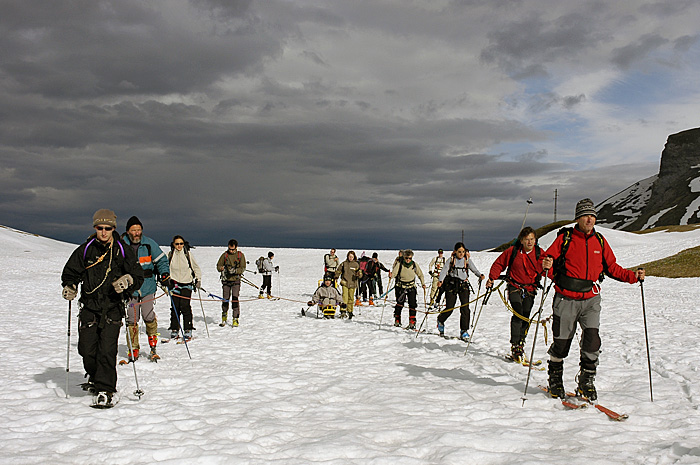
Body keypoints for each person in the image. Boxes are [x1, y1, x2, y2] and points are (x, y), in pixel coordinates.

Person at [541, 198, 645, 400]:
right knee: (561, 343)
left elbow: (612, 267)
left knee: (592, 342)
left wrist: (633, 277)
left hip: (591, 300)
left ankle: (586, 381)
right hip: (566, 299)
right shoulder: (566, 238)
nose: (589, 219)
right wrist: (550, 271)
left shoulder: (600, 241)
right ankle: (555, 379)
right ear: (578, 218)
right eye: (585, 216)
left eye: (592, 216)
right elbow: (546, 260)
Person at [61, 209, 144, 407]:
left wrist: (128, 280)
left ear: (114, 228)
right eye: (100, 228)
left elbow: (138, 274)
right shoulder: (86, 249)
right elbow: (70, 272)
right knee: (86, 350)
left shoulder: (122, 250)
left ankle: (105, 389)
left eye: (108, 228)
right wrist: (70, 286)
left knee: (107, 350)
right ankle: (94, 375)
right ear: (95, 228)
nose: (104, 232)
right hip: (89, 307)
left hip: (113, 308)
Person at [486, 227, 544, 361]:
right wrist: (491, 278)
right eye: (526, 239)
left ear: (535, 240)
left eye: (532, 239)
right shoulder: (513, 251)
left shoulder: (540, 253)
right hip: (514, 286)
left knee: (526, 315)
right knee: (518, 312)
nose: (529, 242)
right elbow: (499, 264)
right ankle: (515, 345)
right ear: (521, 240)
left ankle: (521, 343)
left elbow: (549, 269)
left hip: (530, 289)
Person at [121, 216, 171, 361]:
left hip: (148, 286)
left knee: (148, 316)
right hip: (130, 289)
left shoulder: (149, 244)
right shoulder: (122, 245)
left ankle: (153, 346)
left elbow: (161, 260)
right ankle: (133, 349)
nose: (137, 233)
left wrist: (165, 274)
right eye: (133, 230)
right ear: (128, 231)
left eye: (139, 230)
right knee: (132, 318)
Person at [437, 242, 484, 340]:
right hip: (452, 285)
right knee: (450, 307)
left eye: (463, 251)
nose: (461, 253)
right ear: (455, 252)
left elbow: (474, 269)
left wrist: (480, 275)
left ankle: (464, 330)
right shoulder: (451, 260)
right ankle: (441, 320)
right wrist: (440, 280)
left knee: (465, 308)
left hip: (463, 286)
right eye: (459, 252)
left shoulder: (467, 261)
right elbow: (444, 270)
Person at [168, 235, 202, 340]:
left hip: (187, 283)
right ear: (173, 244)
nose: (179, 246)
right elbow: (166, 267)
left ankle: (188, 329)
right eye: (177, 244)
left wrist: (198, 279)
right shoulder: (170, 254)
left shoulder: (188, 254)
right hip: (174, 284)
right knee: (175, 307)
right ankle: (174, 329)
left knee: (185, 306)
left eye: (181, 244)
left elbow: (195, 267)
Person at [391, 249, 426, 329]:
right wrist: (391, 276)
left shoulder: (414, 265)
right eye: (406, 258)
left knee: (412, 305)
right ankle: (397, 319)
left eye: (410, 258)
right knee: (400, 304)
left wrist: (423, 283)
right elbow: (394, 273)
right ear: (404, 257)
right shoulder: (399, 264)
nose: (408, 260)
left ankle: (412, 321)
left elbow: (420, 274)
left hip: (411, 287)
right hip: (400, 287)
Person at [216, 239, 246, 326]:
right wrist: (221, 268)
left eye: (233, 249)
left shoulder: (241, 255)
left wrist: (235, 270)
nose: (231, 251)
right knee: (225, 299)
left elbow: (243, 268)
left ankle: (235, 318)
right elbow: (218, 266)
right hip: (226, 281)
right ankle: (224, 316)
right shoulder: (224, 255)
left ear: (236, 247)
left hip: (236, 281)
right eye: (230, 249)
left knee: (235, 299)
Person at [335, 250, 362, 319]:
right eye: (349, 256)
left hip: (353, 283)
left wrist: (358, 274)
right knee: (344, 297)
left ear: (354, 257)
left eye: (352, 257)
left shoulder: (356, 264)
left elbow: (360, 273)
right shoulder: (344, 264)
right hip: (345, 282)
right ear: (347, 256)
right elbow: (338, 270)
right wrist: (336, 276)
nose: (350, 258)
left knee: (351, 298)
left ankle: (350, 310)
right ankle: (343, 310)